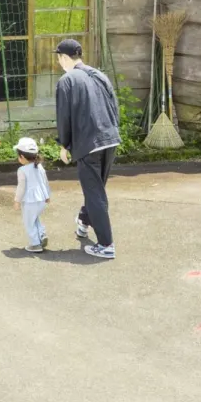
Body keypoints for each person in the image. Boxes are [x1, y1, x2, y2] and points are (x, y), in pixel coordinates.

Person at [53, 37, 120, 259]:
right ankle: (84, 220)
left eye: (58, 58)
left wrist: (64, 144)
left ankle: (106, 244)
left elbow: (64, 116)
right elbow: (114, 105)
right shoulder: (100, 75)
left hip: (89, 144)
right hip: (110, 138)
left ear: (63, 57)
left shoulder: (67, 81)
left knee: (94, 193)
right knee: (96, 189)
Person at [11, 136, 50, 253]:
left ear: (22, 157)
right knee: (35, 218)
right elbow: (45, 181)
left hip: (30, 201)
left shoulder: (22, 170)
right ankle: (42, 234)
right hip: (41, 199)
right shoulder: (39, 166)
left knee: (29, 222)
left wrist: (17, 201)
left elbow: (21, 187)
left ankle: (35, 244)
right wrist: (47, 196)